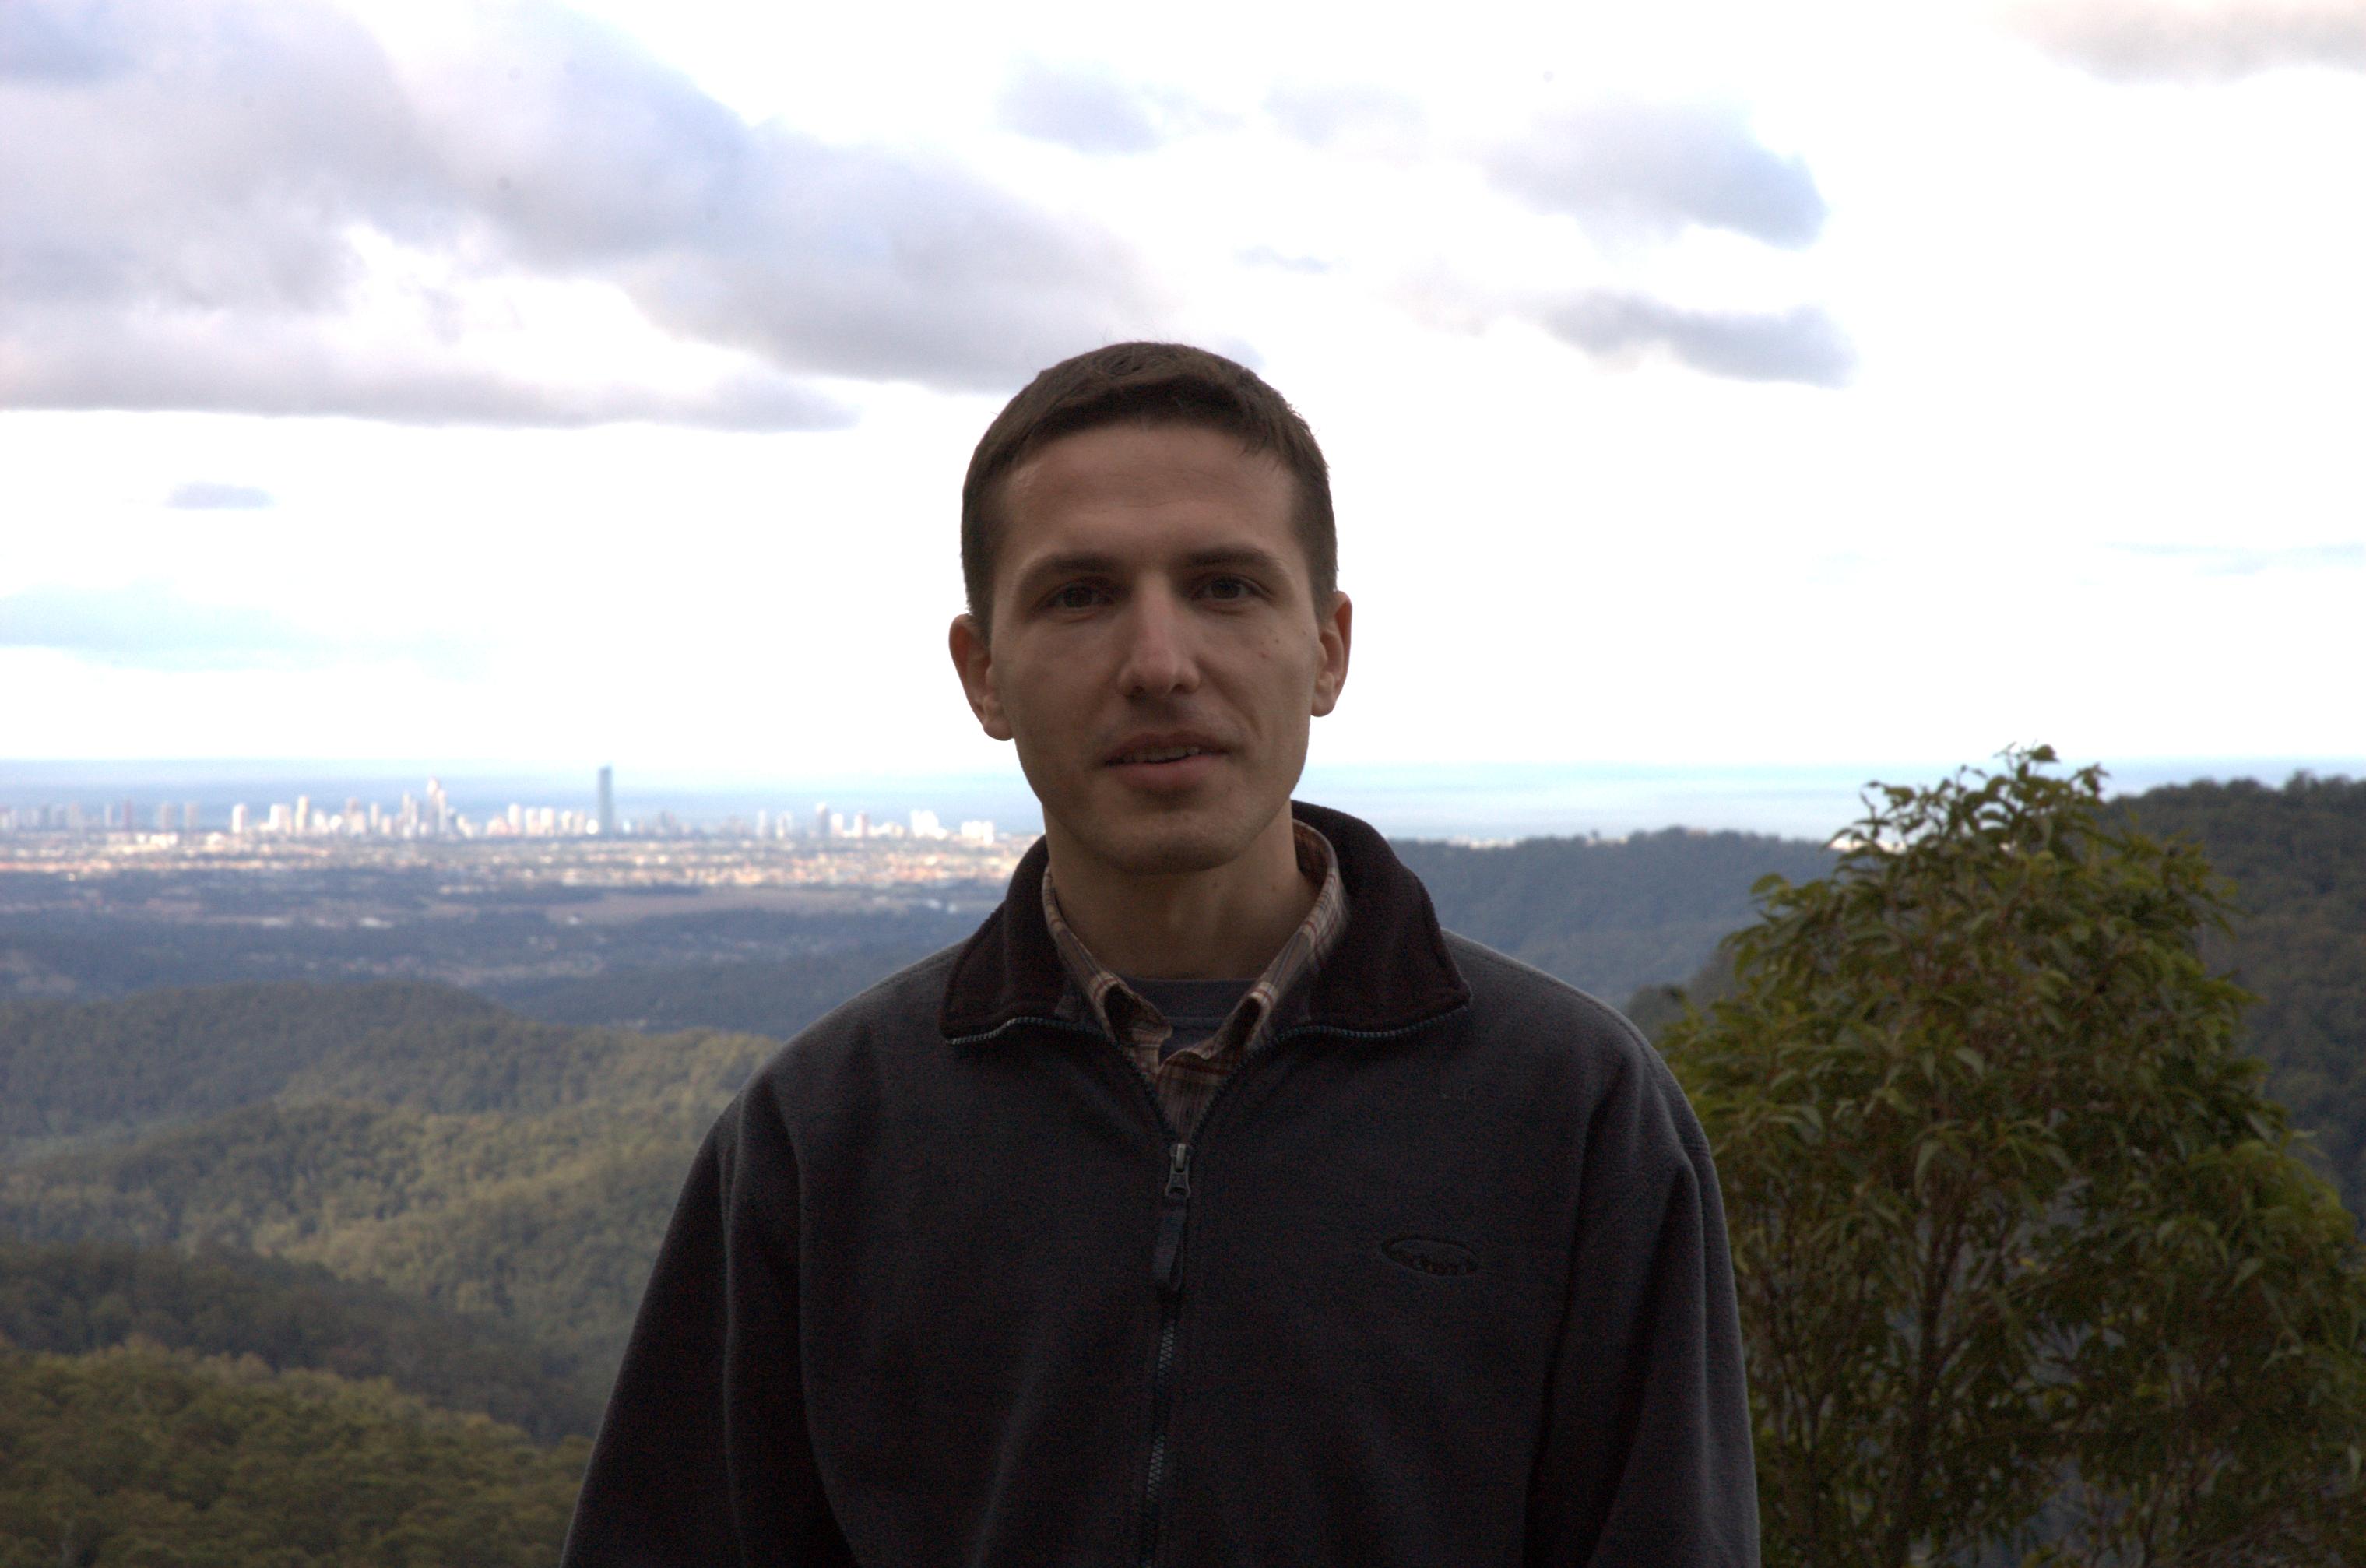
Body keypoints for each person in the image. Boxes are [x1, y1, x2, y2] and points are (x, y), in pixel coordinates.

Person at [561, 342, 1760, 1566]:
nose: (1159, 663)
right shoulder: (821, 1137)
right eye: (1079, 595)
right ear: (984, 673)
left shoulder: (1574, 1113)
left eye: (1226, 586)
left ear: (1329, 647)